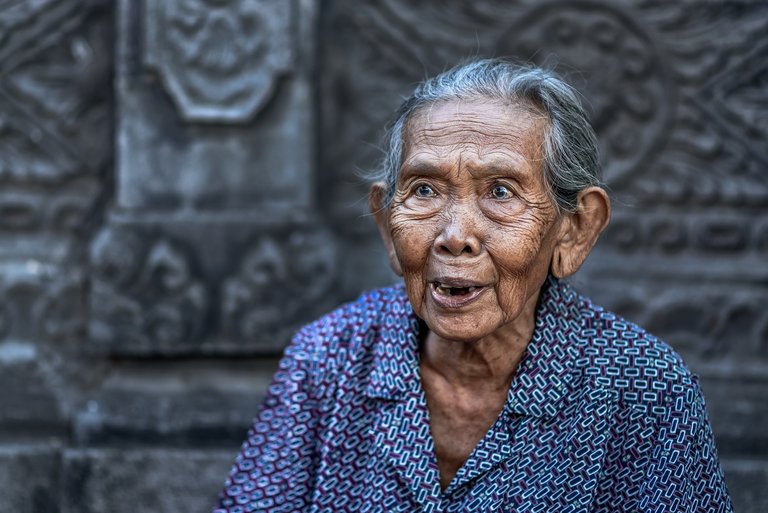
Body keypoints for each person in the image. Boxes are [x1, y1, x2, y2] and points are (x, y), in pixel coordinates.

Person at [213, 59, 733, 512]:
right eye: (423, 190)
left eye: (501, 192)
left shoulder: (645, 389)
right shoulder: (327, 360)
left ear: (574, 230)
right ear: (386, 227)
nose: (455, 236)